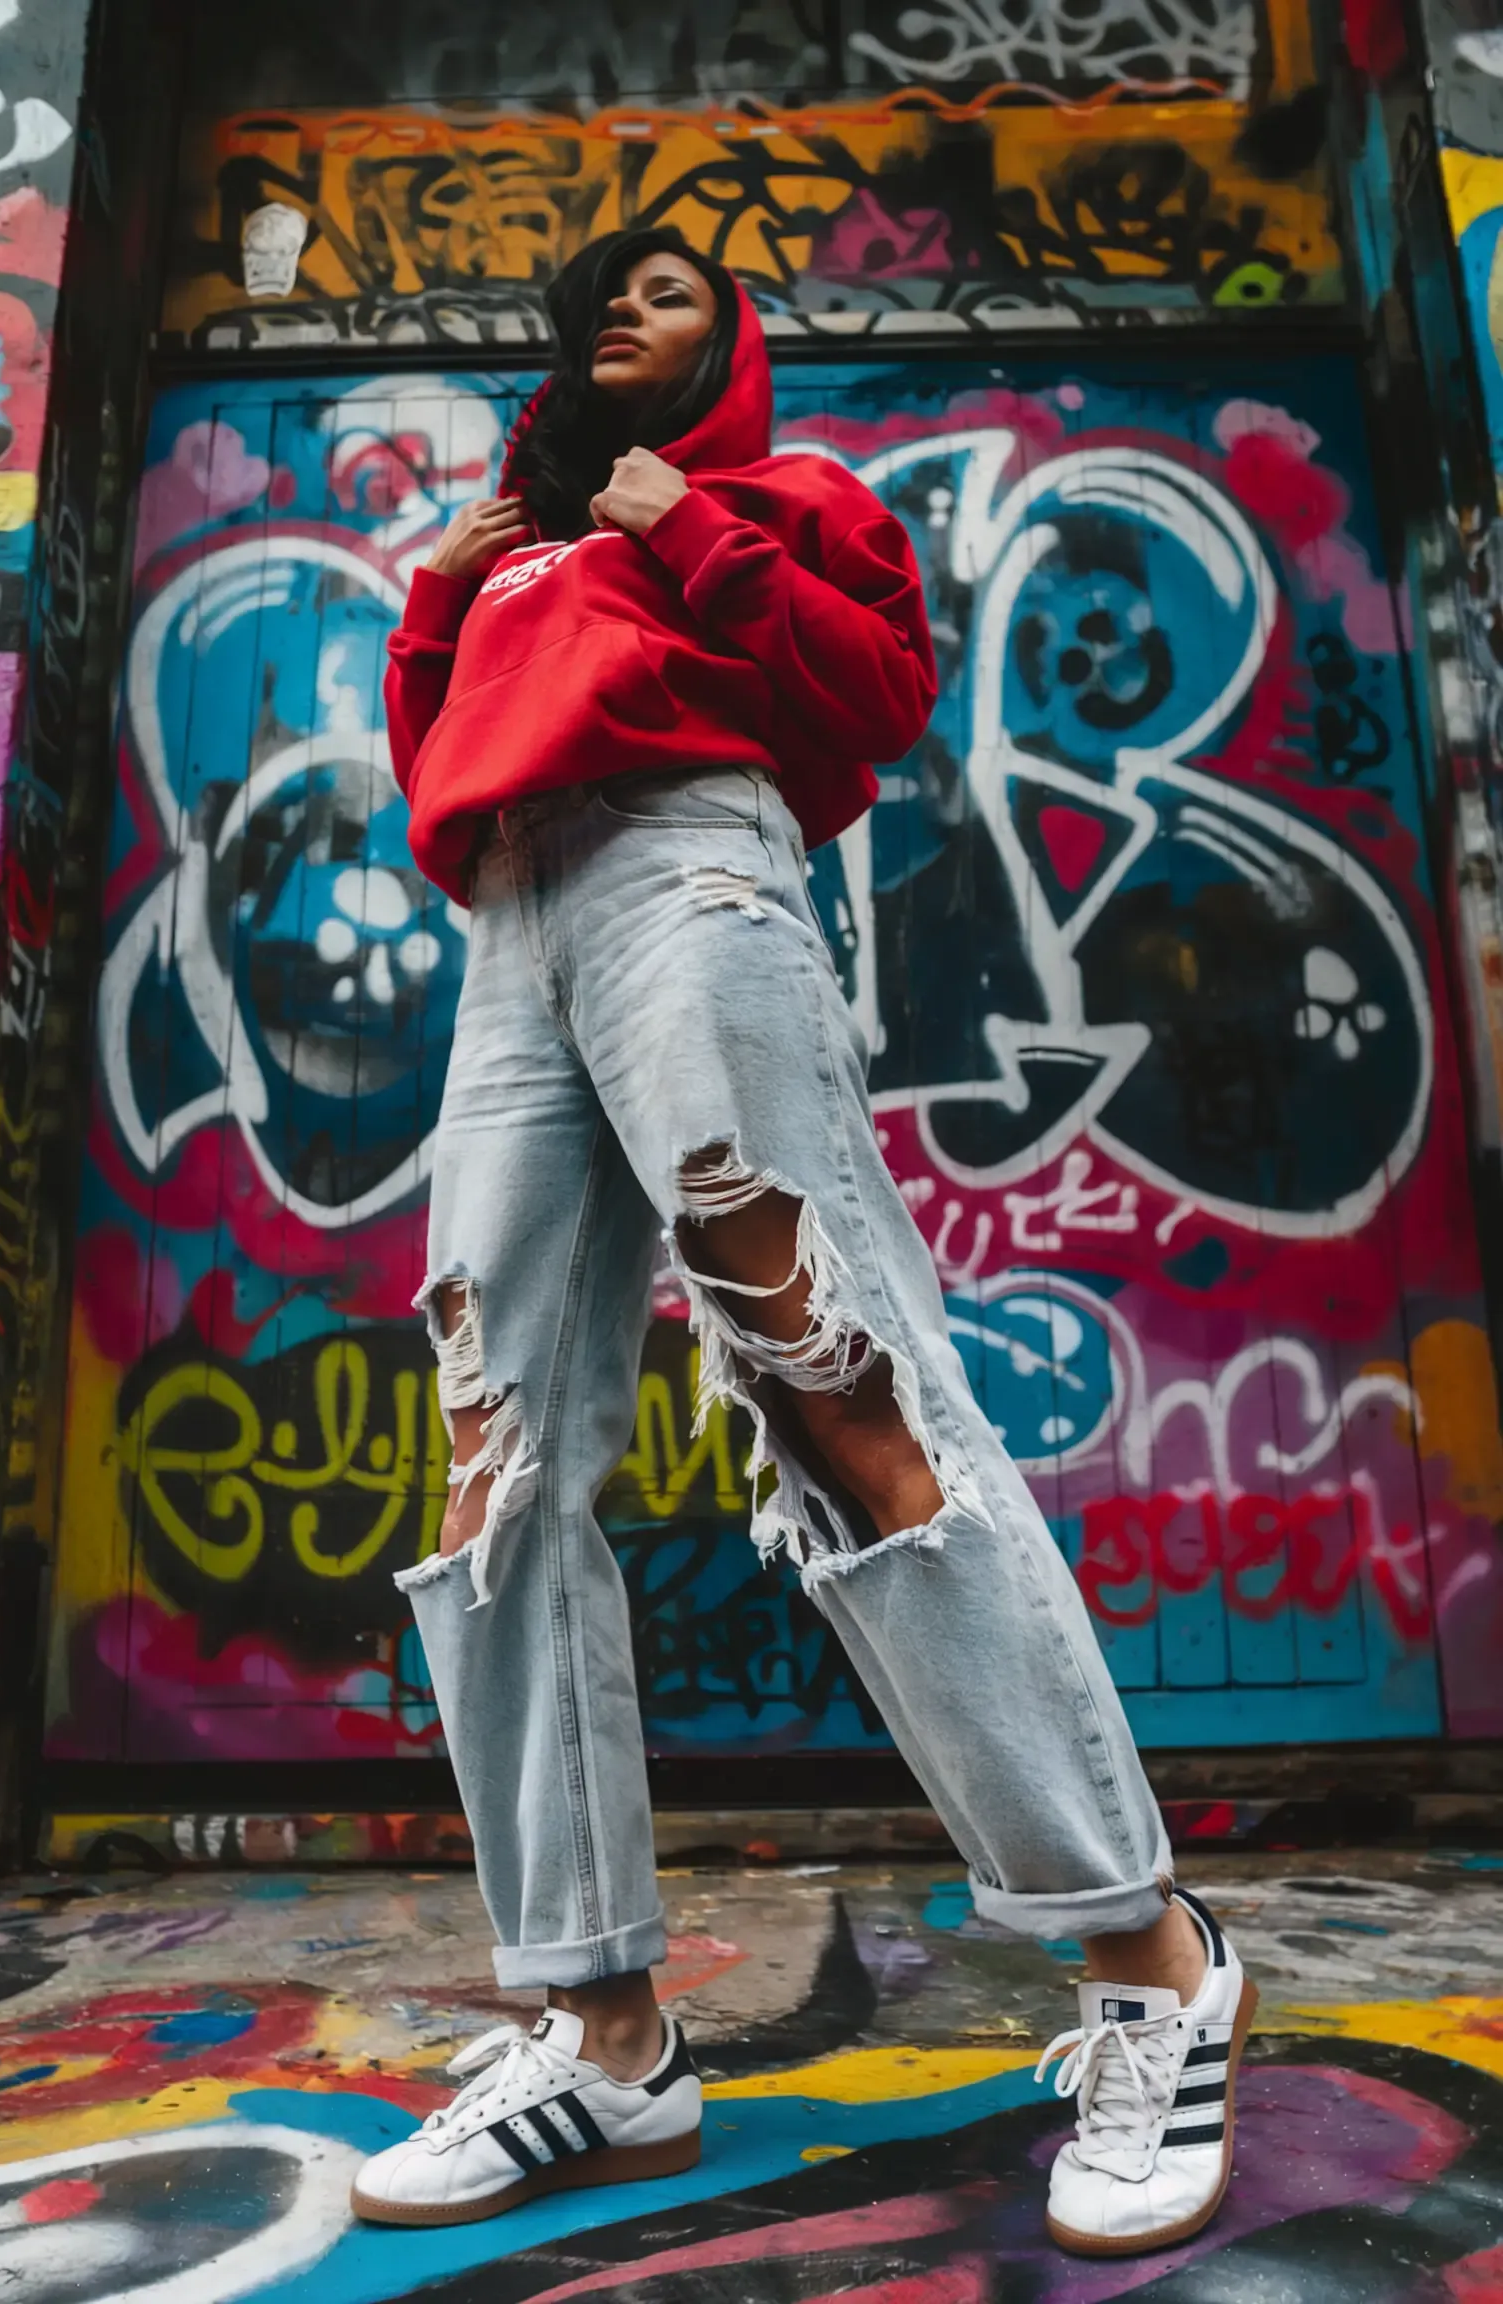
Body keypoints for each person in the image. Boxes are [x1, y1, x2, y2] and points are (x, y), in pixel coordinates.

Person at [350, 227, 1255, 2254]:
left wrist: (691, 535)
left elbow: (868, 710)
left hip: (697, 874)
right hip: (515, 930)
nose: (624, 311)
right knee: (490, 1466)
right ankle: (600, 2038)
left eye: (668, 289)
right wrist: (435, 602)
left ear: (732, 341)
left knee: (830, 1379)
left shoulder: (794, 498)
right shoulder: (507, 546)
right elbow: (437, 777)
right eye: (599, 294)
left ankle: (1149, 1959)